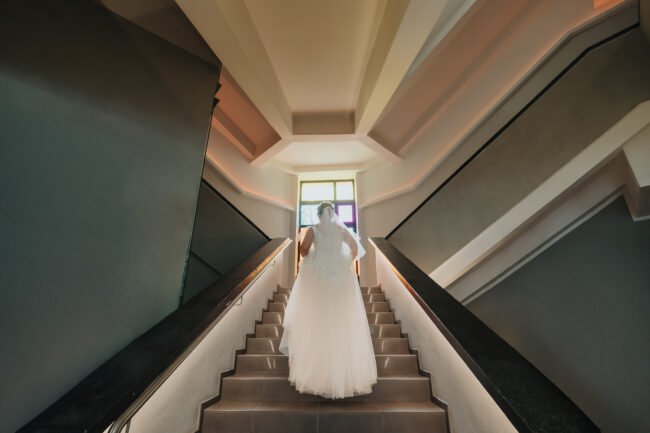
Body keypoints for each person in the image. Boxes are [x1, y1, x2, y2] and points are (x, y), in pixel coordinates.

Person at [279, 201, 378, 399]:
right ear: (333, 214)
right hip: (339, 279)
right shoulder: (342, 230)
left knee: (317, 321)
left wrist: (314, 255)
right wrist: (343, 261)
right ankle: (342, 377)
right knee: (340, 322)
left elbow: (304, 250)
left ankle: (317, 376)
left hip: (319, 278)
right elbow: (354, 248)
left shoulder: (313, 229)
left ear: (318, 215)